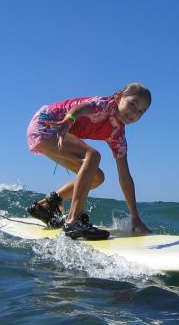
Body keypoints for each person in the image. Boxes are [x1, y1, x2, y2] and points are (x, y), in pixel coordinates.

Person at [25, 83, 152, 240]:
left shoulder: (118, 136)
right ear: (119, 97)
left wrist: (135, 217)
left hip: (56, 135)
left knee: (97, 177)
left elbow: (125, 176)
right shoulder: (105, 105)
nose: (134, 112)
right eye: (132, 103)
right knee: (93, 156)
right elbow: (82, 107)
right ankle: (73, 221)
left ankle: (46, 206)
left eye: (141, 111)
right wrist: (68, 121)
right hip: (47, 124)